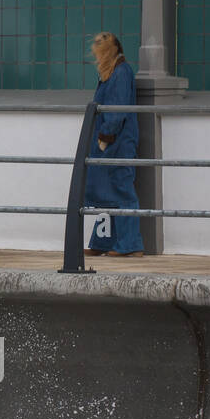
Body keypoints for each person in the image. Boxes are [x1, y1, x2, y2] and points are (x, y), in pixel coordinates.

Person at [85, 32, 144, 257]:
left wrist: (104, 138)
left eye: (99, 52)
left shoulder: (120, 72)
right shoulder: (111, 73)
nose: (96, 57)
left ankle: (130, 245)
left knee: (122, 190)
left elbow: (116, 110)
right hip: (109, 142)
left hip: (117, 142)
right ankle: (102, 242)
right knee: (105, 191)